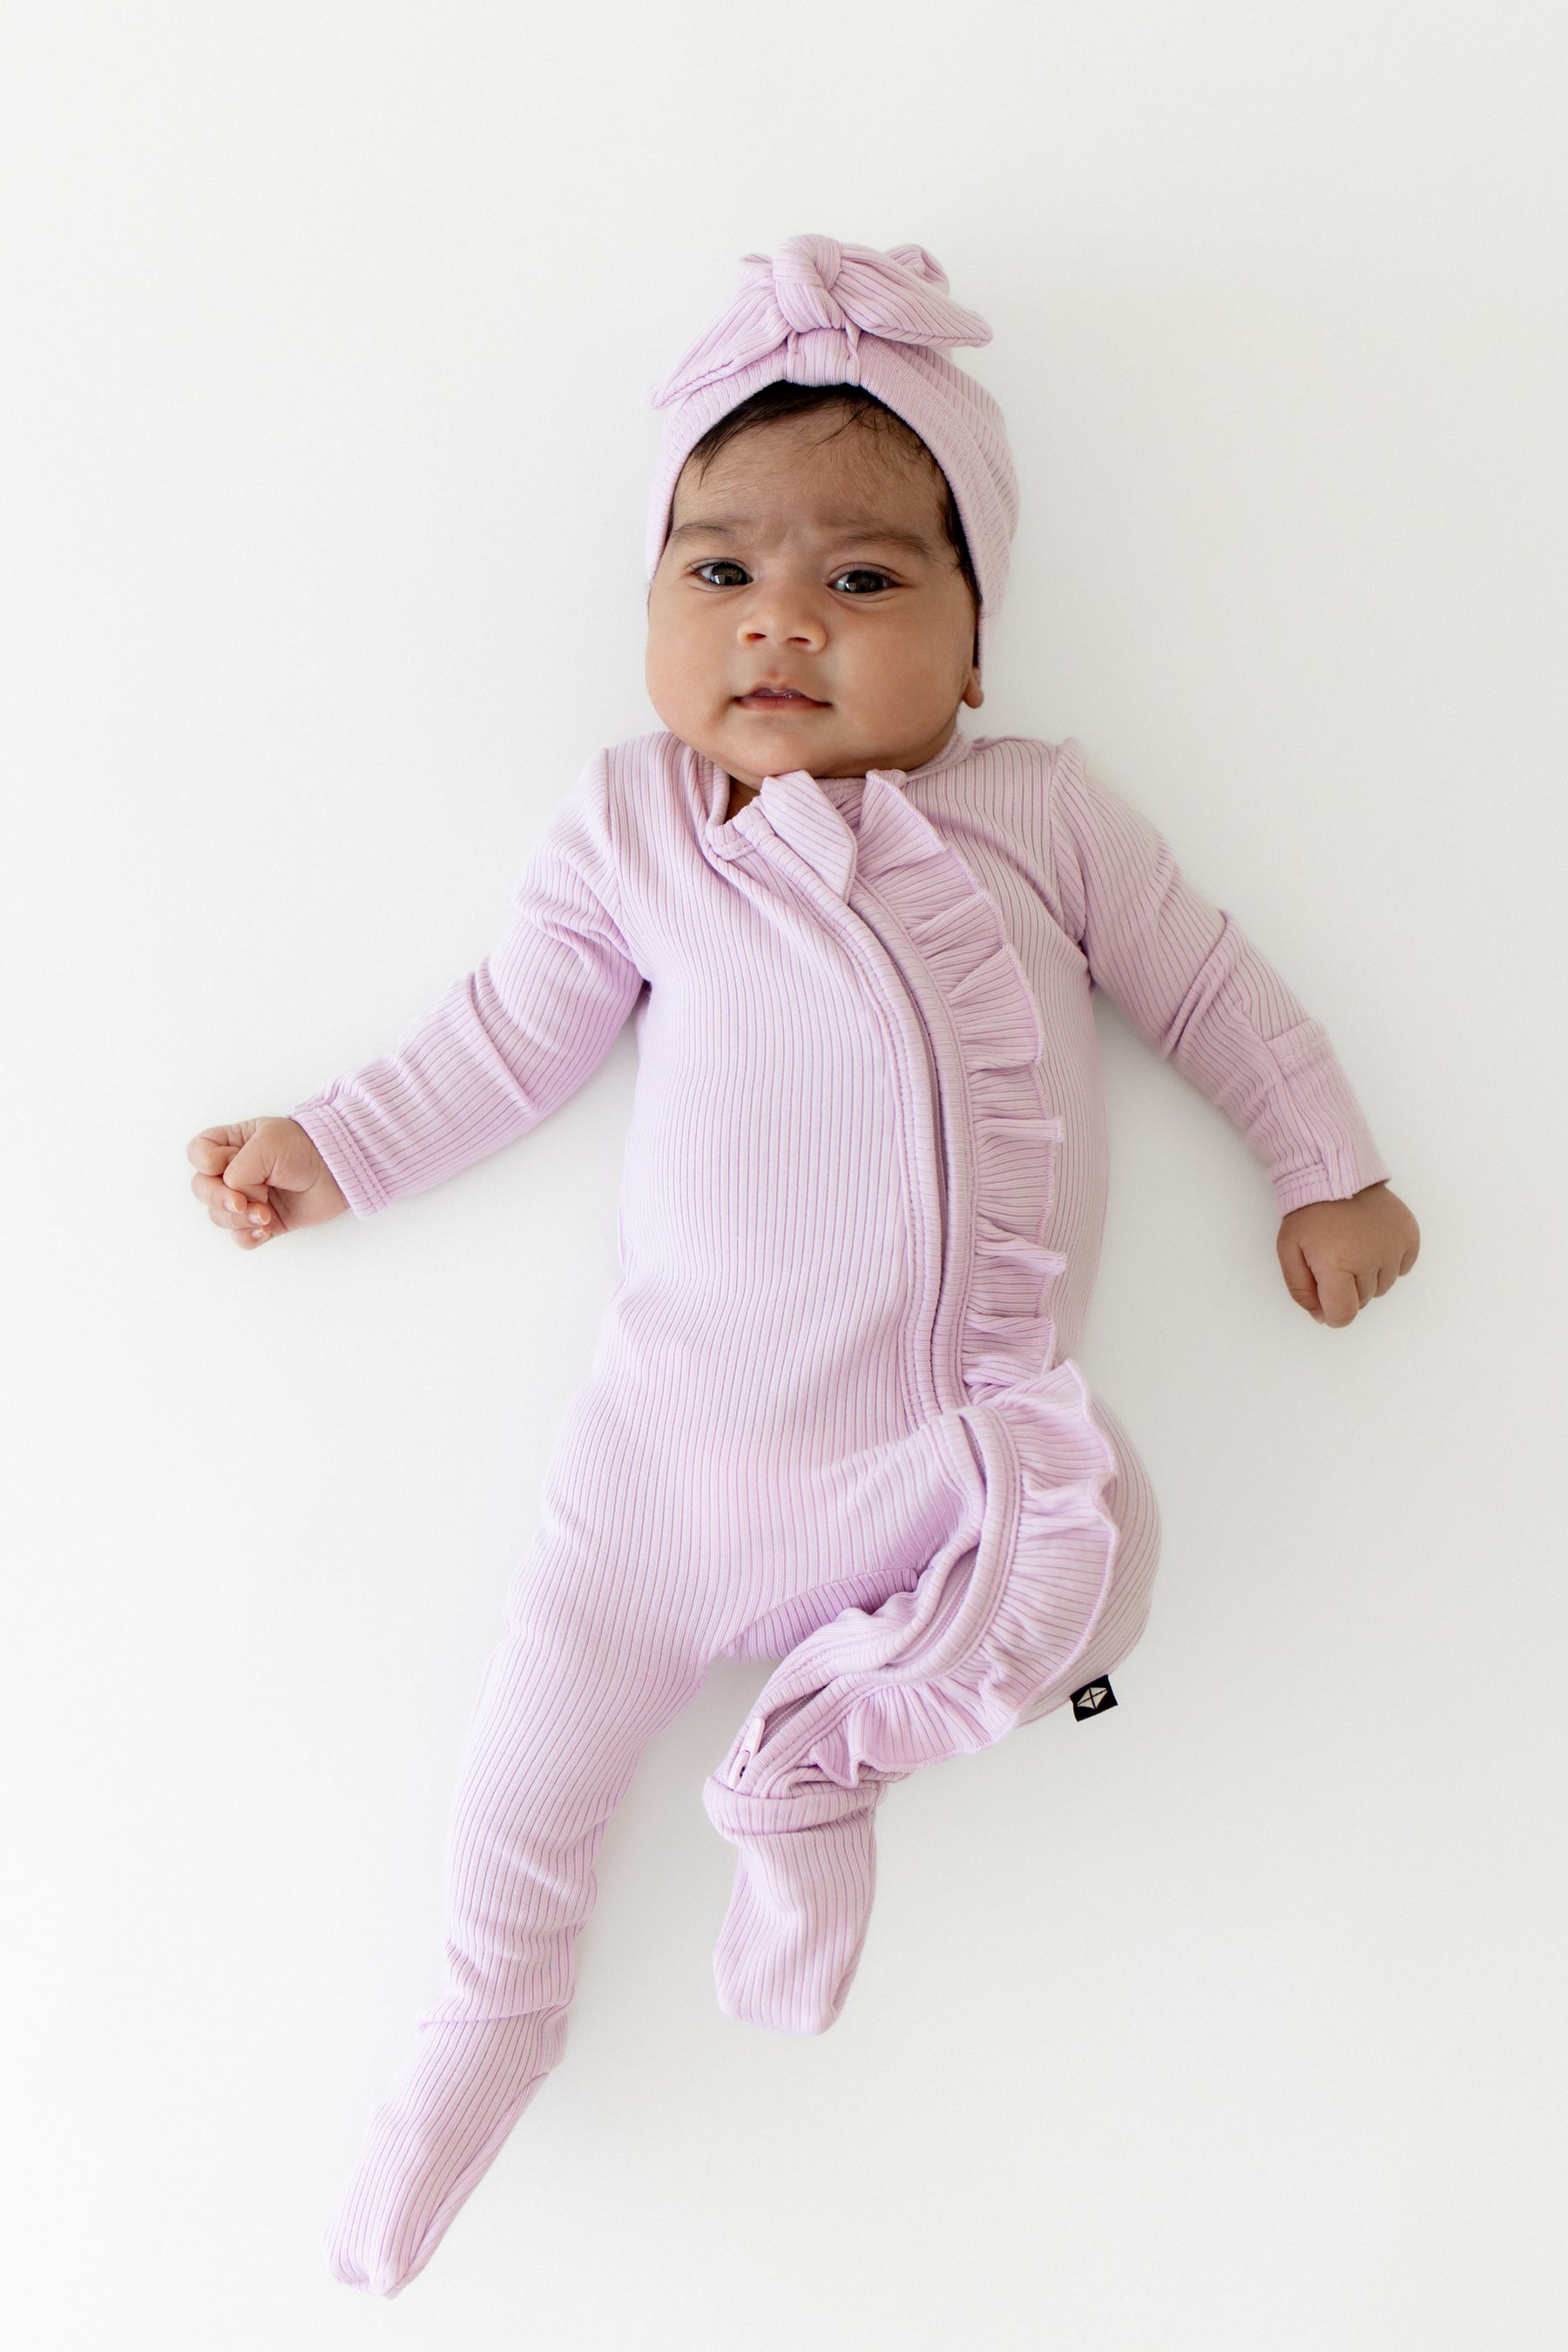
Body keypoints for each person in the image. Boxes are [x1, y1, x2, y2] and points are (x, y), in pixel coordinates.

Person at [186, 234, 1420, 2299]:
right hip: (664, 1464)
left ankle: (811, 1766)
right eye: (720, 570)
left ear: (974, 644)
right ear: (651, 614)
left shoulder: (1042, 815)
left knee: (1107, 1555)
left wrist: (1327, 1164)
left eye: (862, 578)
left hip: (938, 1455)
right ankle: (483, 2025)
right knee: (522, 1776)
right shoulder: (635, 830)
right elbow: (504, 1040)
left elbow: (1208, 984)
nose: (782, 620)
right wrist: (332, 1148)